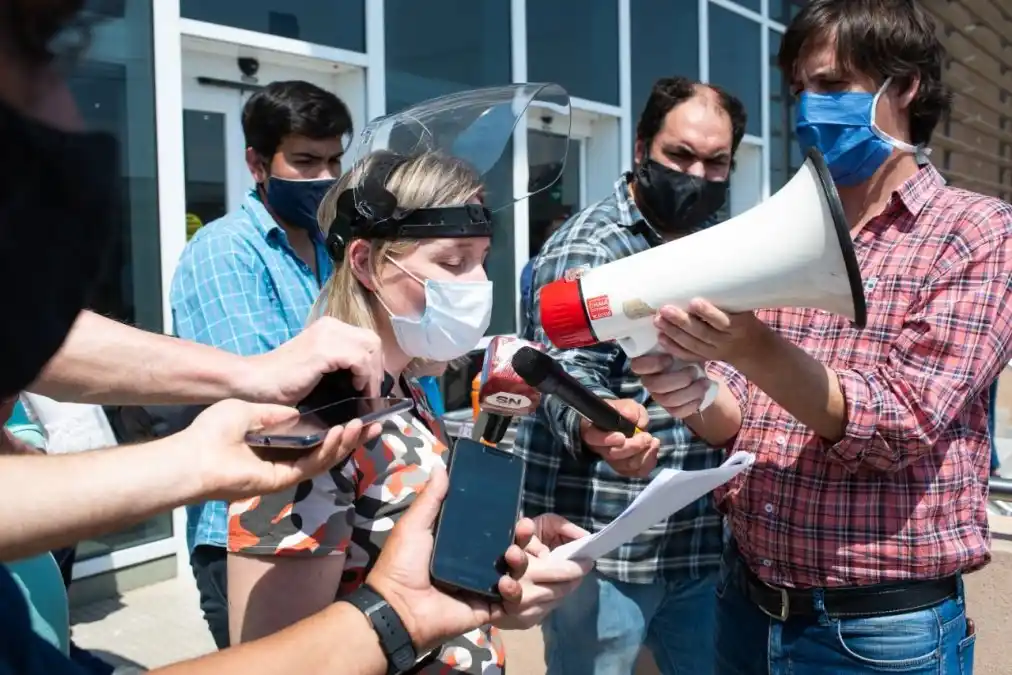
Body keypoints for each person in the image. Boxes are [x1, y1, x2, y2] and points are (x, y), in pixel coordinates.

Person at [633, 1, 1011, 672]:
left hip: (876, 634)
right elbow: (744, 417)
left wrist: (751, 347)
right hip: (746, 604)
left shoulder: (976, 234)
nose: (810, 108)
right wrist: (693, 391)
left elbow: (902, 421)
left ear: (906, 85)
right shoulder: (788, 224)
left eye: (833, 86)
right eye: (800, 89)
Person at [227, 91, 592, 672]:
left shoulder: (402, 391)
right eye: (452, 263)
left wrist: (497, 558)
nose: (474, 283)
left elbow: (407, 560)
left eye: (481, 260)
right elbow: (281, 656)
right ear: (368, 263)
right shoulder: (313, 423)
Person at [514, 75, 747, 675]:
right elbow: (564, 370)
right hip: (606, 547)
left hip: (695, 538)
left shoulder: (714, 246)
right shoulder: (590, 248)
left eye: (716, 162)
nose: (696, 175)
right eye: (679, 155)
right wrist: (599, 427)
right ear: (641, 147)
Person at [170, 79, 353, 649]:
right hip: (252, 528)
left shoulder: (332, 247)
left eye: (333, 161)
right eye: (303, 161)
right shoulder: (225, 251)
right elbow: (268, 402)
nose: (323, 176)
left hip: (330, 513)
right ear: (257, 162)